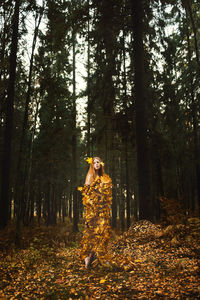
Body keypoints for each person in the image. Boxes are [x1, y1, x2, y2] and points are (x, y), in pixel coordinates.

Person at [78, 157, 112, 268]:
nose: (97, 164)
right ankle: (88, 258)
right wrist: (92, 207)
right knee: (92, 234)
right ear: (92, 164)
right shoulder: (90, 176)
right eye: (95, 162)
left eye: (98, 162)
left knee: (101, 233)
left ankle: (97, 257)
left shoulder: (103, 177)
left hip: (102, 210)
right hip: (93, 211)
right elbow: (86, 194)